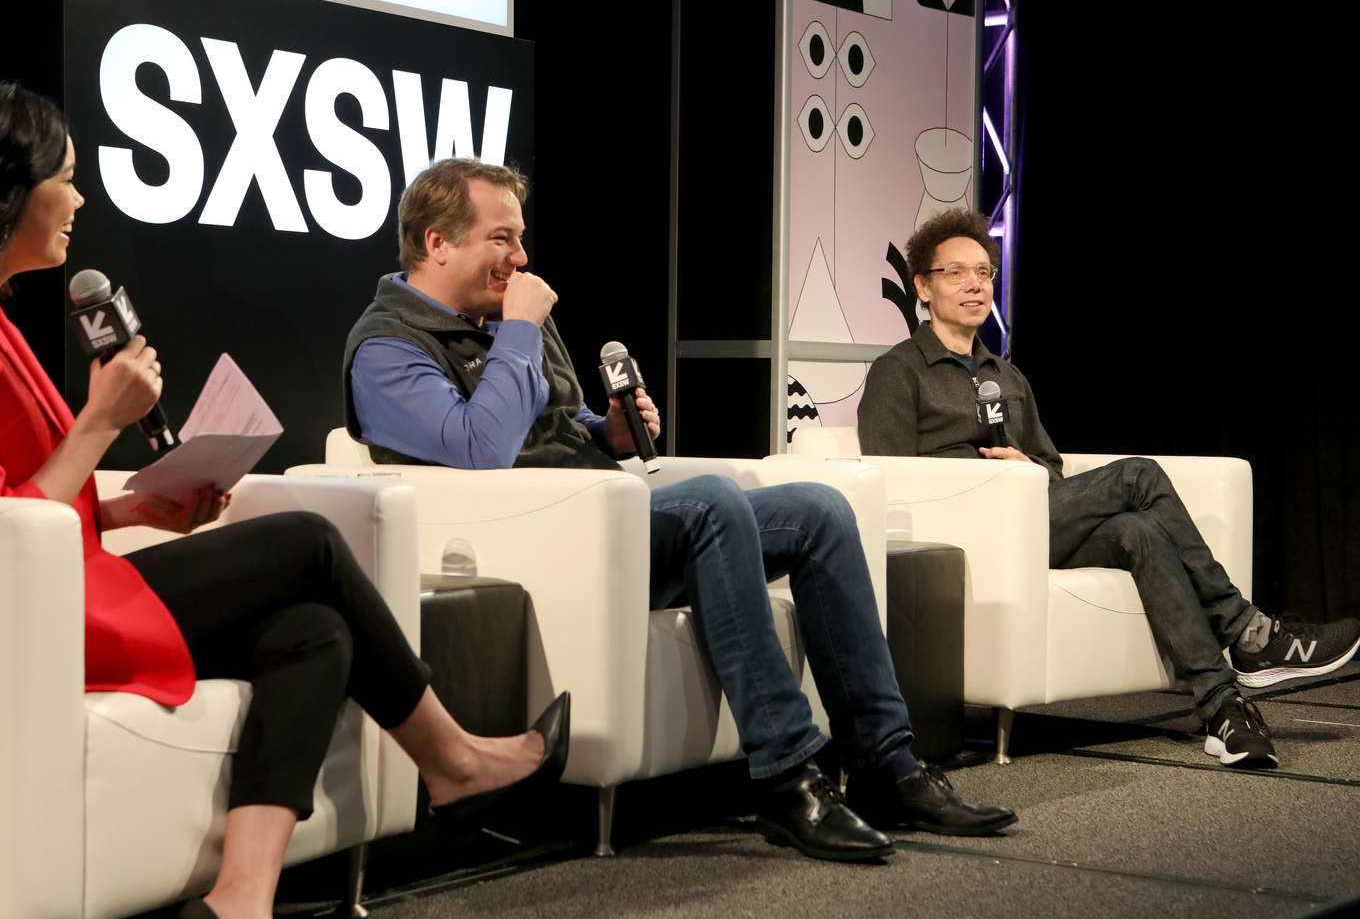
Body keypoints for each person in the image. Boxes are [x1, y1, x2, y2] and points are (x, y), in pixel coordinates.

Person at [0, 80, 570, 919]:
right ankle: (454, 761)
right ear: (3, 188)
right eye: (66, 177)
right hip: (34, 620)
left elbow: (18, 500)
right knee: (307, 540)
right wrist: (96, 425)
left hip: (71, 583)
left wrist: (129, 509)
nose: (79, 196)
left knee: (314, 633)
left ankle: (240, 900)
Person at [343, 157, 1018, 862]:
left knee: (821, 510)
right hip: (538, 552)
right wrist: (517, 332)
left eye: (520, 239)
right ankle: (789, 781)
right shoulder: (389, 346)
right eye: (501, 239)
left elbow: (543, 424)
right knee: (709, 503)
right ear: (437, 242)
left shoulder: (507, 320)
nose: (521, 257)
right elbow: (478, 449)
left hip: (605, 519)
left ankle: (887, 764)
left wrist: (602, 428)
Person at [856, 207, 1360, 769]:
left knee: (1137, 529)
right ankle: (1244, 629)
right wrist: (985, 480)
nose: (976, 284)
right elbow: (890, 479)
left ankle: (1223, 710)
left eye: (985, 272)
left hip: (1029, 522)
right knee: (1138, 474)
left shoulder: (1007, 375)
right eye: (957, 273)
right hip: (961, 538)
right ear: (923, 285)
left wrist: (1024, 467)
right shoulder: (897, 371)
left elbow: (1050, 470)